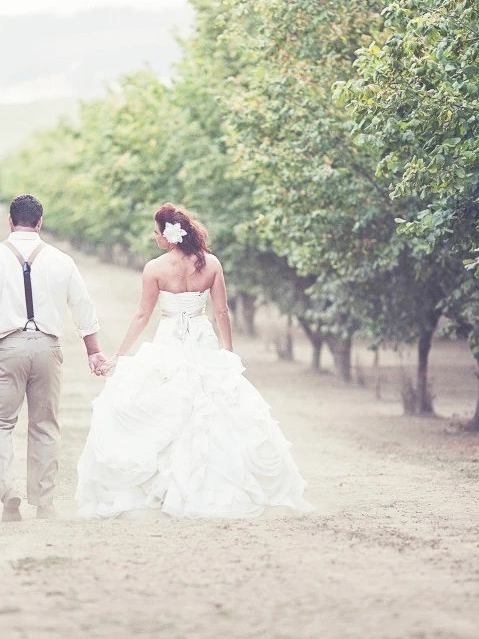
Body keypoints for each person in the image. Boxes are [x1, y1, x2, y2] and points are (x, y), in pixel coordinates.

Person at [76, 203, 310, 518]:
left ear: (168, 235)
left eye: (156, 231)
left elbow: (143, 314)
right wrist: (228, 353)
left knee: (167, 403)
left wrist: (120, 354)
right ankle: (212, 482)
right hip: (202, 338)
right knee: (212, 403)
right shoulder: (210, 263)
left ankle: (164, 486)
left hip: (170, 339)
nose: (154, 236)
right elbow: (222, 312)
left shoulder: (155, 268)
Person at [0, 194, 106, 522]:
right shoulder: (61, 260)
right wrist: (93, 350)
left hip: (6, 347)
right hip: (47, 348)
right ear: (40, 223)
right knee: (44, 425)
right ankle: (44, 502)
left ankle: (9, 489)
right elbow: (83, 309)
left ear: (10, 222)